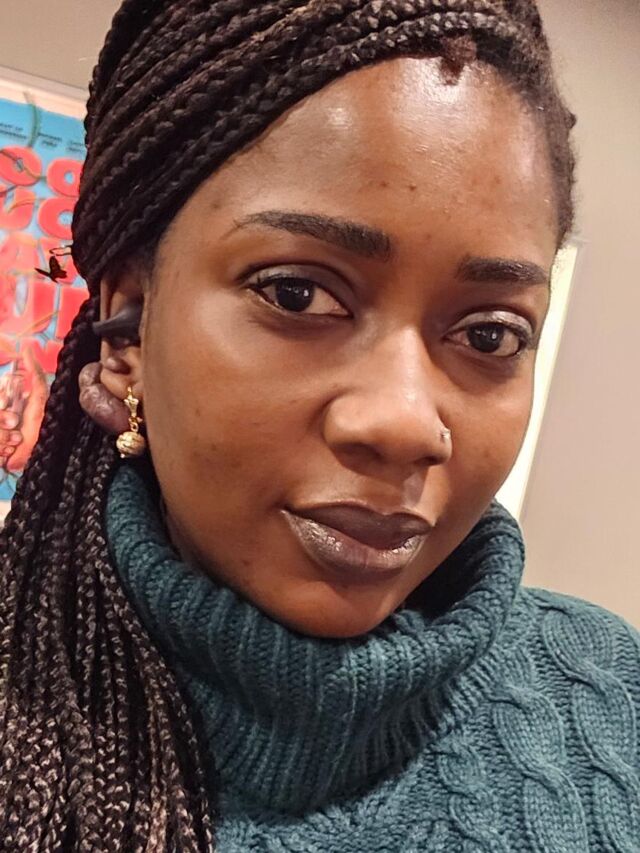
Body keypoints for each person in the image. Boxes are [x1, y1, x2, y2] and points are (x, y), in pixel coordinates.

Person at [1, 1, 638, 850]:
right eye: (297, 294)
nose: (405, 423)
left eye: (490, 335)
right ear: (129, 332)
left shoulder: (613, 700)